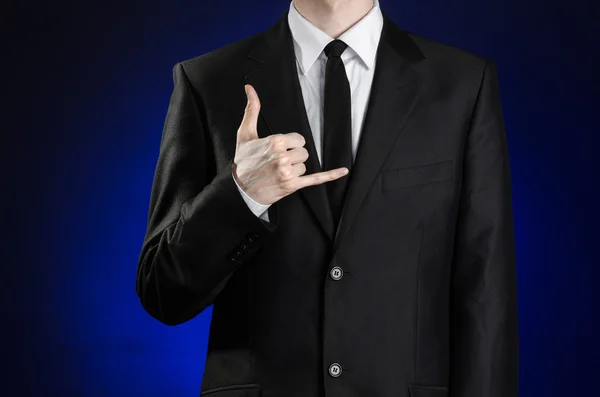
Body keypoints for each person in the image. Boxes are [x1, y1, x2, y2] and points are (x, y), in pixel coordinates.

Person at [135, 0, 518, 395]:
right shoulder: (207, 81)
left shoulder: (462, 84)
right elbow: (163, 293)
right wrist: (240, 194)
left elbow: (485, 292)